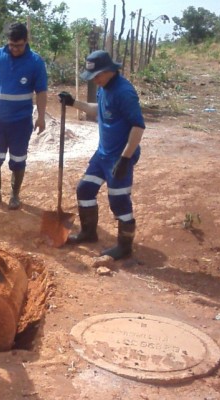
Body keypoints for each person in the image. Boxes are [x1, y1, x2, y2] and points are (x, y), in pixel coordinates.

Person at [59, 50, 146, 260]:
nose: (95, 81)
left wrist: (125, 158)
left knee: (119, 201)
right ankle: (89, 233)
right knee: (85, 189)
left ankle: (124, 247)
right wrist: (74, 103)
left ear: (109, 71)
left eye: (97, 76)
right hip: (103, 154)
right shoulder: (104, 87)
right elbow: (100, 110)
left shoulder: (124, 92)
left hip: (120, 156)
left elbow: (138, 127)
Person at [0, 22, 47, 210]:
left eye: (19, 46)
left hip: (21, 122)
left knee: (18, 159)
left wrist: (41, 116)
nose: (15, 49)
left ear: (26, 42)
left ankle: (15, 195)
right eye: (12, 45)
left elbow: (41, 91)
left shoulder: (36, 62)